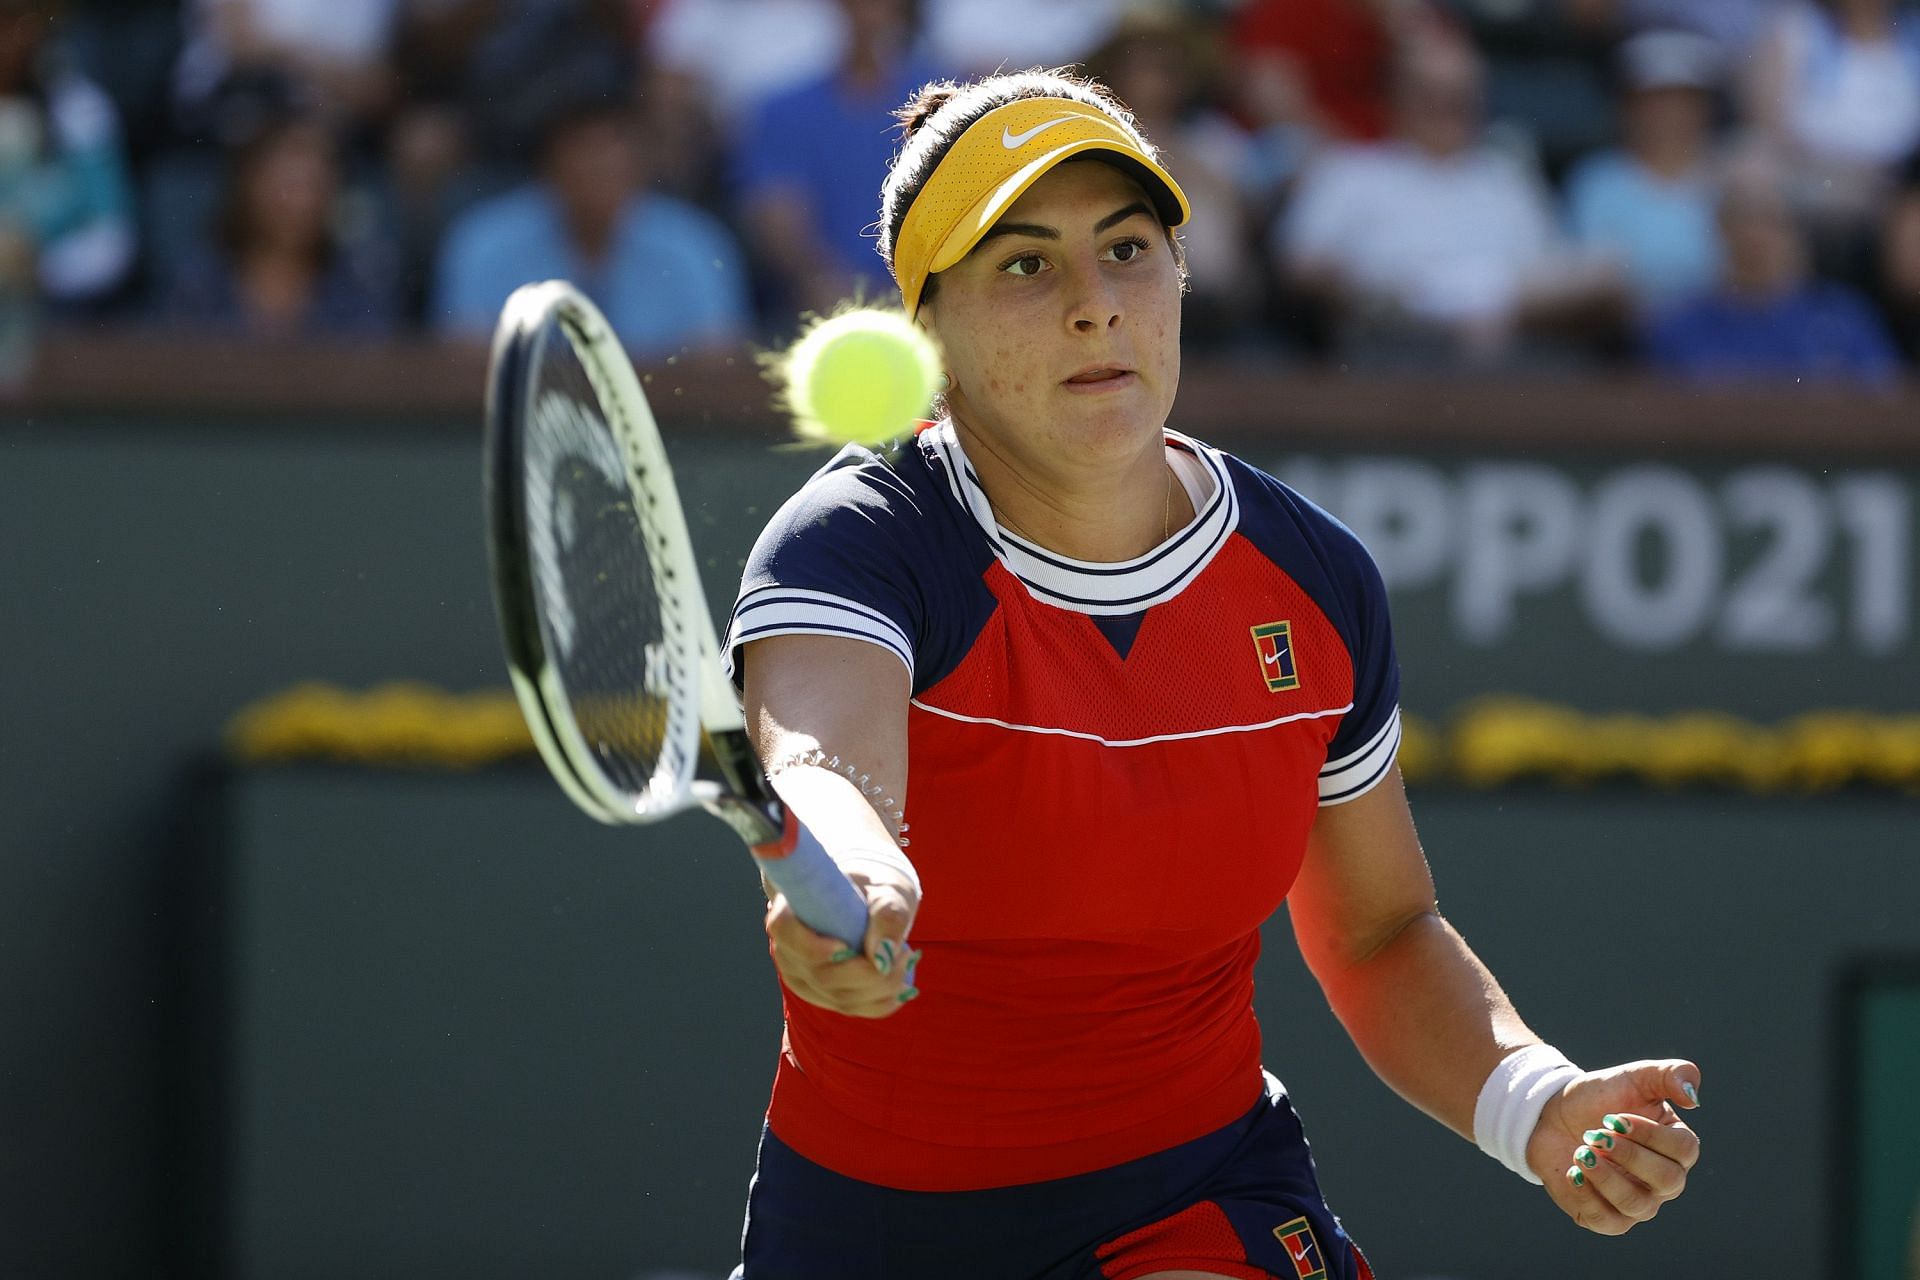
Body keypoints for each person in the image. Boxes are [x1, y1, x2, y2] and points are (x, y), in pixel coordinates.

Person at [722, 68, 1703, 1280]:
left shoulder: (1314, 577)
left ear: (1181, 275)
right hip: (866, 1223)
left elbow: (1384, 928)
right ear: (932, 324)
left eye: (1128, 250)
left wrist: (1536, 1103)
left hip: (1191, 1190)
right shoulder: (857, 541)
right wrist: (855, 872)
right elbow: (823, 759)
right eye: (1025, 264)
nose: (1096, 305)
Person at [1277, 34, 1624, 366]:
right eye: (1430, 93)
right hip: (1387, 341)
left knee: (1609, 271)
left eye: (1459, 96)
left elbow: (1548, 271)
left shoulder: (1506, 180)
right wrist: (1402, 297)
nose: (1445, 108)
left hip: (1507, 345)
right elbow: (1303, 263)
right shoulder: (1349, 171)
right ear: (1397, 96)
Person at [430, 96, 749, 355]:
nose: (600, 162)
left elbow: (716, 366)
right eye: (583, 147)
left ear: (641, 162)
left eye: (613, 146)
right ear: (548, 163)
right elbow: (463, 365)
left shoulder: (694, 245)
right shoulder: (484, 242)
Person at [1645, 159, 1901, 384]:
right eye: (1742, 218)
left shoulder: (1844, 321)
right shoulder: (1678, 326)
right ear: (1719, 229)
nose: (1756, 234)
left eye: (1771, 219)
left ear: (1797, 231)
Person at [160, 112, 398, 336]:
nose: (299, 203)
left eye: (313, 186)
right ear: (248, 187)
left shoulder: (356, 288)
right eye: (285, 186)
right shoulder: (199, 284)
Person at [1564, 28, 1726, 315]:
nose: (1669, 113)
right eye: (1654, 100)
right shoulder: (1596, 180)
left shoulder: (1732, 176)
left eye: (1683, 100)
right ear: (1628, 107)